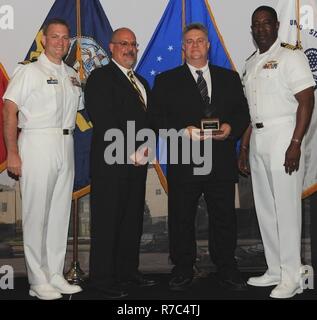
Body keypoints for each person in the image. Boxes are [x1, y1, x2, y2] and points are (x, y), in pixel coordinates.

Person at [151, 23, 250, 291]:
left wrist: (231, 129)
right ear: (183, 48)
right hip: (184, 160)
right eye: (190, 42)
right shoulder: (166, 80)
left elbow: (242, 113)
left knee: (224, 217)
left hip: (220, 161)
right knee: (181, 218)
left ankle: (227, 267)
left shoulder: (229, 78)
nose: (195, 45)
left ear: (208, 45)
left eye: (200, 41)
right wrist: (183, 131)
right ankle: (183, 268)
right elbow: (156, 120)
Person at [2, 19, 83, 300]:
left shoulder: (72, 74)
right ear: (44, 39)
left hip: (66, 141)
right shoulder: (29, 72)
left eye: (65, 38)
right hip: (37, 141)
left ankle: (55, 274)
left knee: (60, 214)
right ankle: (37, 280)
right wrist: (12, 152)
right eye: (54, 37)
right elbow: (9, 111)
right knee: (36, 215)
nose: (60, 42)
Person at [238, 6, 315, 299]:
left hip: (284, 135)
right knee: (266, 209)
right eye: (255, 24)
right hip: (258, 138)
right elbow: (252, 110)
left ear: (277, 25)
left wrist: (296, 143)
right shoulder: (251, 63)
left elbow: (307, 101)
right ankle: (275, 269)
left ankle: (292, 275)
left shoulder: (290, 56)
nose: (260, 29)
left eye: (266, 23)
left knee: (286, 209)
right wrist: (244, 146)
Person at [85, 27, 157, 299]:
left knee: (131, 222)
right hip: (111, 164)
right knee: (107, 222)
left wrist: (147, 147)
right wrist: (130, 152)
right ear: (111, 47)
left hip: (138, 166)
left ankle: (128, 272)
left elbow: (150, 122)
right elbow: (105, 120)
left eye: (133, 44)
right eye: (123, 43)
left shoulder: (140, 81)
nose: (130, 48)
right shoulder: (100, 78)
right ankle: (102, 279)